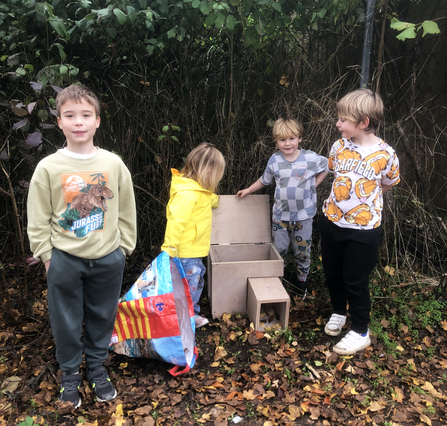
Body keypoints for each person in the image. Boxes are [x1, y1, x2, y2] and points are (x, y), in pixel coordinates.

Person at [27, 85, 137, 408]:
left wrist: (123, 250)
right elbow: (38, 217)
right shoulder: (48, 168)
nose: (79, 122)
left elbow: (128, 209)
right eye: (70, 116)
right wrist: (48, 257)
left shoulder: (113, 164)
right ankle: (70, 375)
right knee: (66, 320)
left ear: (97, 121)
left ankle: (97, 369)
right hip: (65, 259)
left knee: (103, 316)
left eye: (86, 115)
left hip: (107, 258)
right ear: (59, 122)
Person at [319, 88, 400, 355]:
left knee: (355, 279)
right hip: (332, 222)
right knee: (332, 272)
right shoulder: (339, 146)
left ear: (363, 123)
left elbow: (387, 184)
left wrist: (362, 205)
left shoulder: (386, 155)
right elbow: (334, 173)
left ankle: (360, 330)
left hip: (364, 230)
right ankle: (339, 312)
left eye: (343, 120)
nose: (337, 124)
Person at [236, 118, 328, 299]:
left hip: (303, 217)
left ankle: (302, 282)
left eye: (292, 138)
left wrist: (315, 183)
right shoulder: (275, 160)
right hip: (280, 217)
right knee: (280, 251)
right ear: (276, 141)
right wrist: (248, 190)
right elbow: (265, 180)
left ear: (300, 138)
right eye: (282, 140)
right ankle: (280, 280)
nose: (288, 144)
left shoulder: (310, 158)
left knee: (302, 251)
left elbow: (327, 166)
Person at [161, 142, 225, 328]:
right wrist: (169, 249)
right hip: (184, 252)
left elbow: (206, 199)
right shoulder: (187, 194)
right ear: (207, 171)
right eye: (215, 175)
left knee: (194, 284)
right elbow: (176, 221)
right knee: (187, 287)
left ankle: (190, 315)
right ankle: (181, 322)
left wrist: (215, 199)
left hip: (195, 251)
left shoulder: (199, 191)